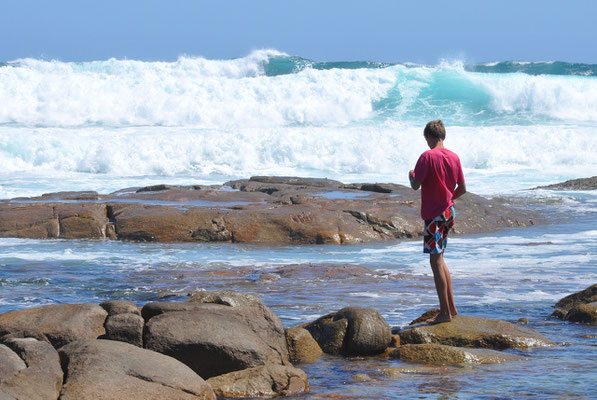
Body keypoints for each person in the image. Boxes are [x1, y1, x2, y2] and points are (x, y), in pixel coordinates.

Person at [408, 120, 466, 324]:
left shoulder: (427, 156)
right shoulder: (454, 157)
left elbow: (416, 185)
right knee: (440, 259)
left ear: (430, 137)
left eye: (426, 139)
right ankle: (451, 308)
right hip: (449, 212)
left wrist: (411, 176)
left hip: (434, 214)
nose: (426, 142)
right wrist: (448, 199)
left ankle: (444, 314)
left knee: (435, 262)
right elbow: (462, 188)